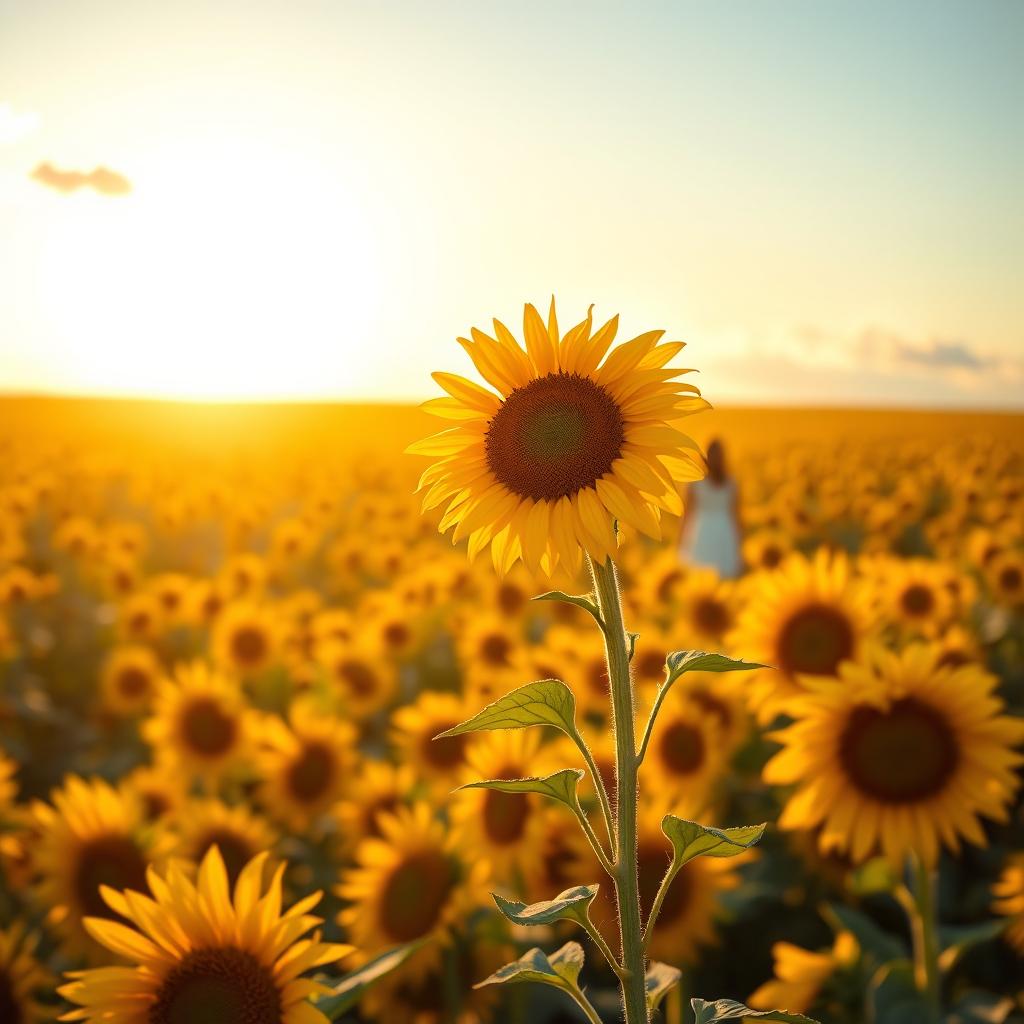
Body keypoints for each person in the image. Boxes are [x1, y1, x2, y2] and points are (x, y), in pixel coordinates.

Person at [679, 438, 742, 578]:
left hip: (723, 533)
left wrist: (739, 542)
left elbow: (736, 514)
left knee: (724, 576)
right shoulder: (695, 483)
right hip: (703, 533)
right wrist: (681, 541)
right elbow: (687, 513)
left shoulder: (731, 483)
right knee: (701, 576)